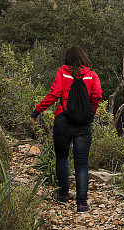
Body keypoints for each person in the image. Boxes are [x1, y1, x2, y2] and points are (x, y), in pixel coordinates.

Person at [30, 46, 102, 212]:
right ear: (83, 57)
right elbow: (97, 95)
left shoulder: (62, 72)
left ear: (67, 58)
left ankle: (63, 195)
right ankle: (82, 203)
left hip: (63, 120)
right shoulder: (92, 74)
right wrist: (90, 113)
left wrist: (37, 111)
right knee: (82, 164)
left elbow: (54, 94)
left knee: (62, 158)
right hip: (84, 125)